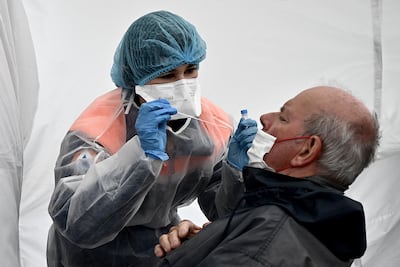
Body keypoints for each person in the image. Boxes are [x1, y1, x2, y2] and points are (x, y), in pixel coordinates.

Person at [46, 10, 234, 267]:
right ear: (137, 76)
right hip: (91, 257)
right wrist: (139, 155)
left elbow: (225, 211)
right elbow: (78, 223)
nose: (182, 84)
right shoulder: (99, 129)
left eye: (191, 70)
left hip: (161, 248)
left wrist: (237, 174)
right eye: (168, 75)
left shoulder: (214, 126)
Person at [154, 86, 380, 267]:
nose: (264, 118)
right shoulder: (318, 227)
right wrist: (201, 245)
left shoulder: (265, 243)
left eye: (283, 117)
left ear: (306, 151)